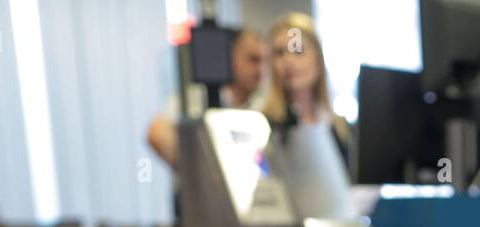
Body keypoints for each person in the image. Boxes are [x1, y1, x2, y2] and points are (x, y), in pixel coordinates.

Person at [146, 28, 266, 169]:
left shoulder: (261, 107)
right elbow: (155, 133)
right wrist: (191, 170)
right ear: (231, 58)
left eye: (264, 62)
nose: (260, 70)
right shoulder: (198, 97)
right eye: (253, 60)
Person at [262, 13, 350, 167]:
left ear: (318, 59)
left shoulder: (338, 126)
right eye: (280, 53)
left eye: (298, 51)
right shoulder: (265, 125)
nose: (288, 61)